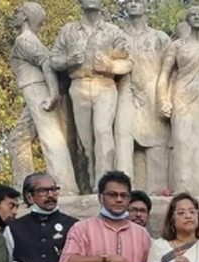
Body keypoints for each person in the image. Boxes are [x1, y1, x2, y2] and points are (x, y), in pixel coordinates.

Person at [50, 0, 131, 189]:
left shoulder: (113, 31)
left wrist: (110, 65)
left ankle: (103, 185)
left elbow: (128, 63)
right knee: (84, 139)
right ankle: (89, 182)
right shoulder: (69, 30)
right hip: (79, 85)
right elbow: (53, 60)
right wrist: (68, 61)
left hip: (105, 85)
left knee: (102, 132)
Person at [10, 1, 79, 195]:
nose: (14, 14)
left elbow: (46, 63)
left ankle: (65, 188)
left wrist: (52, 94)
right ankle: (24, 188)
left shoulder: (24, 40)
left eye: (18, 12)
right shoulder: (30, 40)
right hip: (35, 90)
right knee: (17, 140)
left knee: (52, 138)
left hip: (38, 91)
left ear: (25, 16)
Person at [157, 5, 199, 197]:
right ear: (188, 20)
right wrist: (163, 99)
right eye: (193, 15)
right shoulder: (177, 45)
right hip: (182, 95)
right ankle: (183, 191)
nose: (197, 18)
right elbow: (164, 74)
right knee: (182, 141)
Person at [115, 0, 171, 193]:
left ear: (146, 6)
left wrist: (167, 98)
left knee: (157, 141)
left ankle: (158, 192)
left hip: (153, 92)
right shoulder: (117, 36)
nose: (133, 4)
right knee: (123, 137)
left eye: (137, 1)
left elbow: (170, 70)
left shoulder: (160, 37)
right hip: (124, 90)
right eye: (129, 1)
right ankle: (121, 191)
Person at [148, 193, 199, 262]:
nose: (188, 216)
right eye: (181, 213)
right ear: (172, 219)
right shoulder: (159, 246)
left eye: (192, 212)